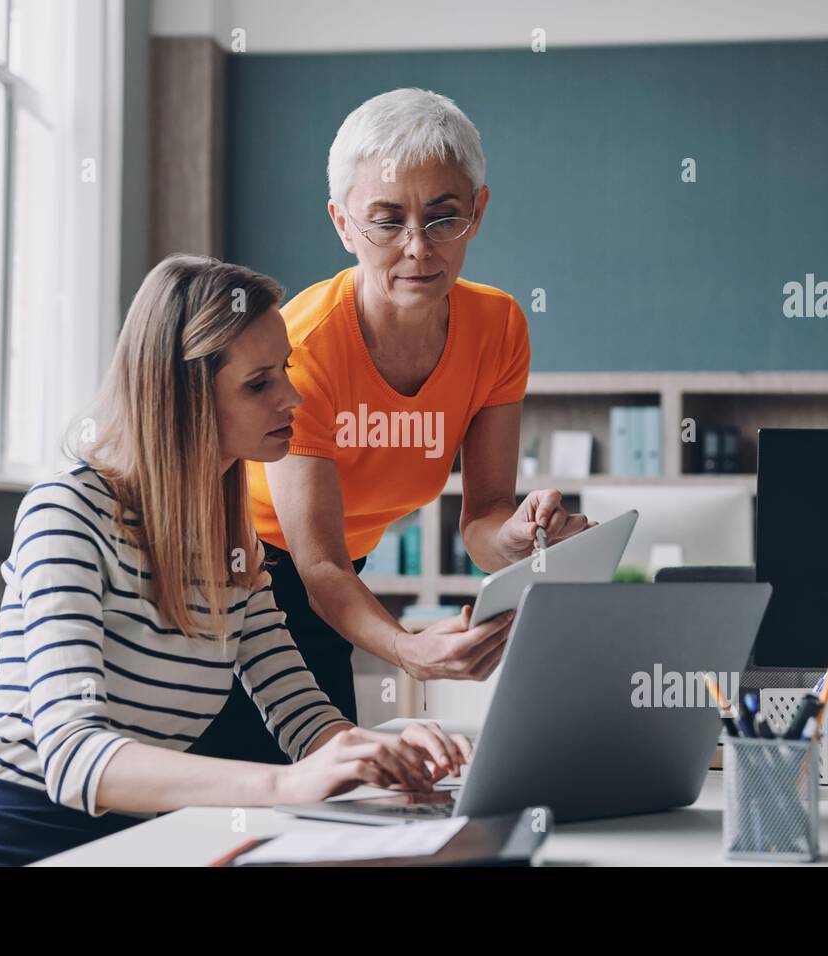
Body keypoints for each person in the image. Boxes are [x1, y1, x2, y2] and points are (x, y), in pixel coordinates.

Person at [0, 254, 470, 866]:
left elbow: (299, 712)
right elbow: (71, 755)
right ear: (181, 396)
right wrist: (285, 785)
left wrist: (384, 750)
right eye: (259, 383)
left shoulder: (232, 544)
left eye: (285, 369)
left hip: (136, 844)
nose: (293, 396)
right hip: (10, 836)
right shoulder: (66, 513)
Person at [193, 89, 591, 766]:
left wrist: (524, 540)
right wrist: (408, 649)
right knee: (246, 795)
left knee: (330, 790)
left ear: (478, 212)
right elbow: (315, 562)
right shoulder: (307, 348)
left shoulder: (498, 329)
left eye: (443, 219)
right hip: (231, 574)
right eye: (386, 221)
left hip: (339, 578)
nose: (417, 249)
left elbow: (484, 521)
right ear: (344, 225)